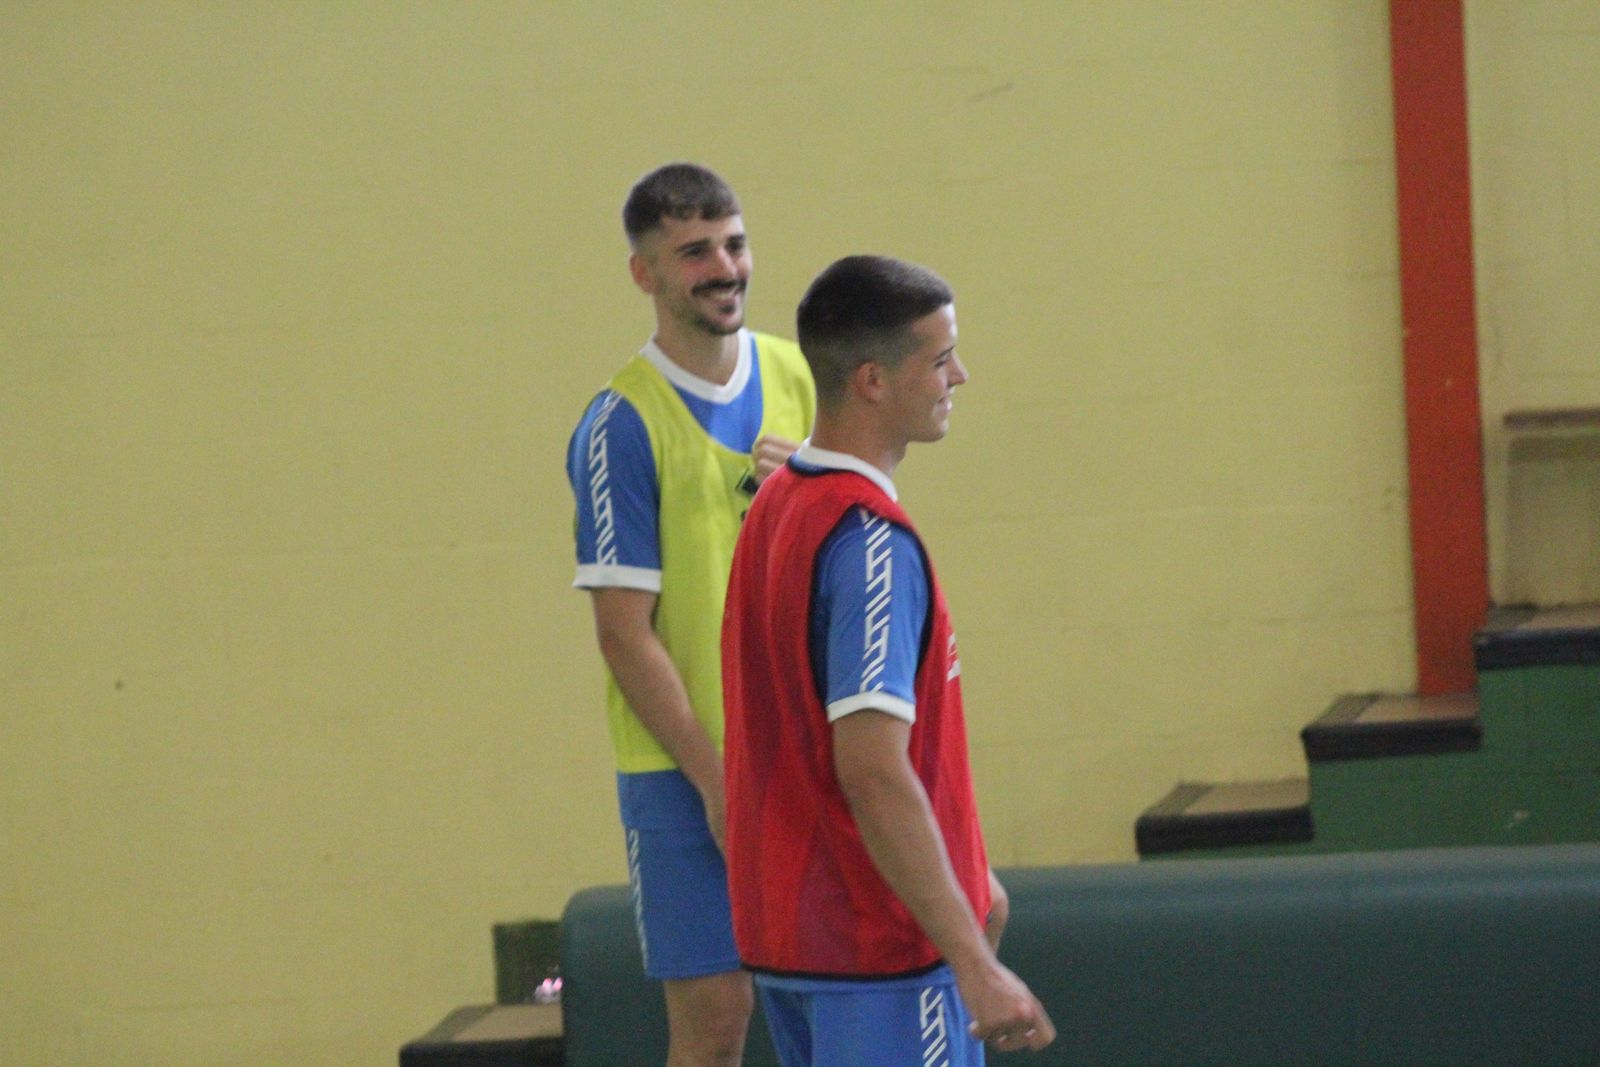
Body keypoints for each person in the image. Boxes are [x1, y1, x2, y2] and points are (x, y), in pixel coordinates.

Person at [722, 255, 1056, 1065]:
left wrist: (966, 872)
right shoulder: (870, 542)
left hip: (794, 940)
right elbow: (871, 767)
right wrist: (972, 962)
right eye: (940, 358)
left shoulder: (777, 502)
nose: (960, 376)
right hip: (880, 947)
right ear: (873, 379)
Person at [566, 163, 815, 1066]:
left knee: (827, 1002)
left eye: (735, 244)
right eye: (695, 251)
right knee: (716, 1020)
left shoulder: (801, 375)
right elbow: (622, 631)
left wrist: (816, 488)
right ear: (646, 274)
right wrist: (716, 780)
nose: (724, 267)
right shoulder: (619, 425)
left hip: (806, 755)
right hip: (686, 772)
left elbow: (866, 546)